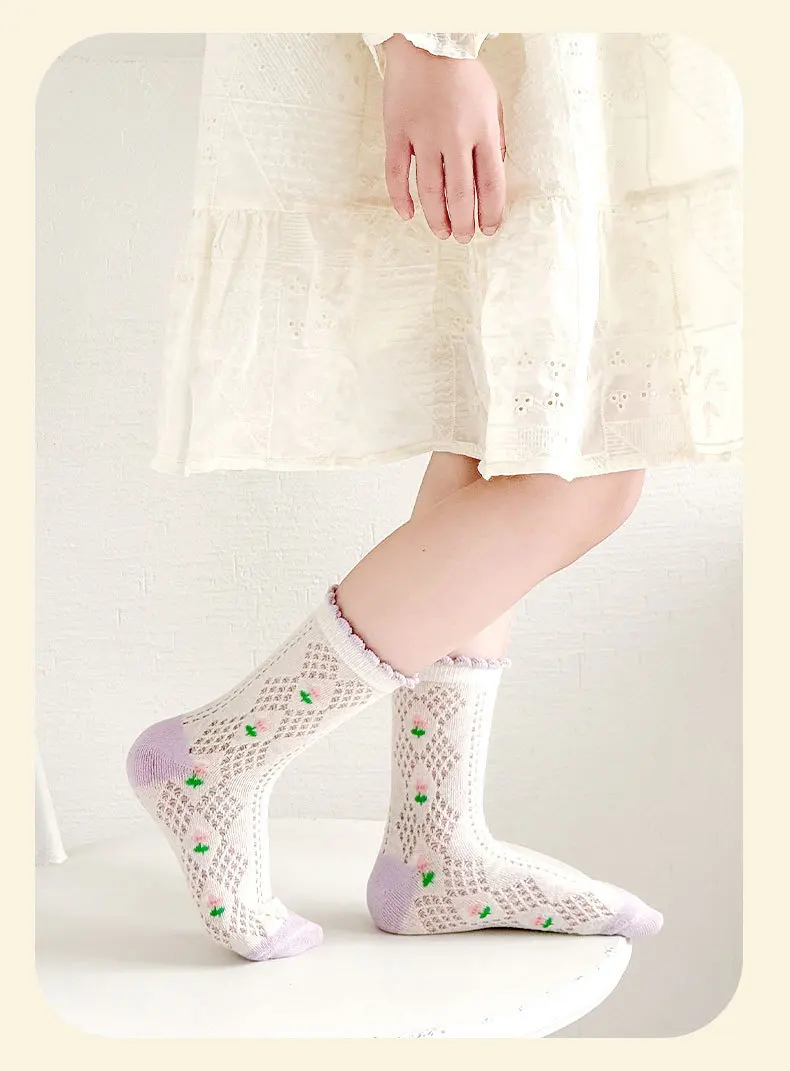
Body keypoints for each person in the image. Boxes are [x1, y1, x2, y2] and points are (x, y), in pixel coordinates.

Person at [127, 33, 742, 961]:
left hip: (582, 62)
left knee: (502, 435)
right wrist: (425, 41)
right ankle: (223, 751)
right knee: (580, 468)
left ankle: (436, 842)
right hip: (493, 49)